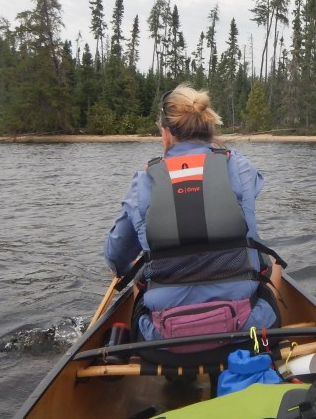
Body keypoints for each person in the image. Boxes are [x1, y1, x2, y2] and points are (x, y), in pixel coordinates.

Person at [104, 84, 283, 341]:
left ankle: (159, 356)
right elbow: (251, 191)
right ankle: (266, 340)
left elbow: (116, 255)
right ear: (209, 128)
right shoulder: (240, 167)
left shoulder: (143, 182)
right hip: (244, 328)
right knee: (272, 263)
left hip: (163, 339)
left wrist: (122, 266)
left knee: (138, 276)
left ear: (166, 133)